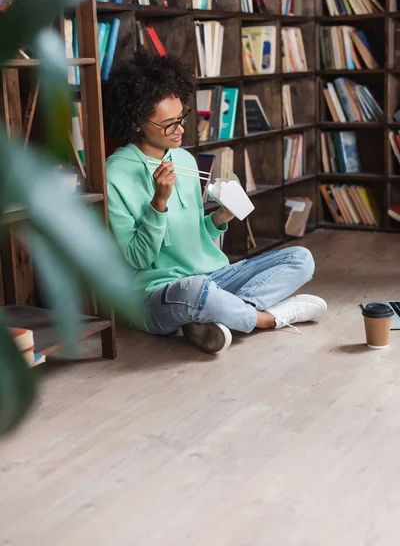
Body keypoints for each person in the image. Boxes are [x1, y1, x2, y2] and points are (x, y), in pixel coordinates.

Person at [104, 51, 327, 354]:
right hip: (156, 292)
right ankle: (267, 318)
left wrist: (220, 218)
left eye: (181, 117)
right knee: (196, 291)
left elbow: (196, 235)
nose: (180, 129)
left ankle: (217, 317)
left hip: (215, 277)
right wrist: (158, 202)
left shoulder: (183, 159)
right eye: (169, 124)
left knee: (300, 258)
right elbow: (137, 259)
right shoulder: (114, 173)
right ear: (136, 123)